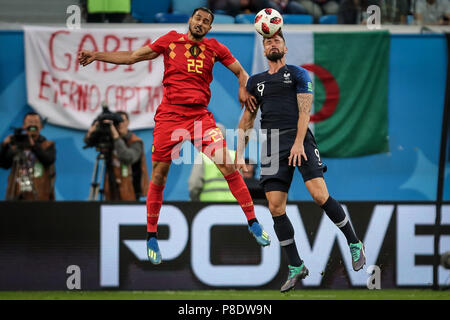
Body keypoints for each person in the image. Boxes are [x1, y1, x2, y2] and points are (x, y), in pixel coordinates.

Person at [78, 7, 271, 265]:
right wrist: (96, 55)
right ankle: (151, 236)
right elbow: (132, 57)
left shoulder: (215, 48)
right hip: (169, 116)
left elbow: (241, 72)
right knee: (159, 174)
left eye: (206, 21)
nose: (201, 23)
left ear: (210, 28)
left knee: (226, 161)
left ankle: (253, 222)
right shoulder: (170, 41)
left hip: (200, 117)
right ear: (190, 20)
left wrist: (243, 88)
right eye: (198, 18)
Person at [236, 32, 366, 293]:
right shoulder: (256, 83)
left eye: (277, 41)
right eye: (268, 41)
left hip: (300, 141)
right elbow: (247, 121)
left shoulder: (297, 74)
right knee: (275, 207)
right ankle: (296, 266)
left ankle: (354, 242)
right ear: (264, 50)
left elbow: (305, 112)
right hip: (272, 144)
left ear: (285, 47)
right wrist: (239, 152)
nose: (272, 44)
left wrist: (298, 142)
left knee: (319, 196)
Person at [84, 111, 149, 201]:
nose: (120, 124)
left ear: (128, 122)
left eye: (122, 121)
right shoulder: (109, 138)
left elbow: (127, 157)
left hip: (131, 190)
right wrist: (91, 132)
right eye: (117, 122)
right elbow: (89, 143)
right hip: (111, 189)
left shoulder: (135, 141)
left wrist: (116, 137)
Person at [0, 112, 56, 200]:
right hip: (18, 193)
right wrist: (4, 146)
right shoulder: (17, 145)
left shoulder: (48, 145)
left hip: (40, 193)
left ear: (41, 126)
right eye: (30, 122)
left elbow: (48, 160)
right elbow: (4, 164)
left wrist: (33, 145)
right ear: (24, 126)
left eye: (36, 122)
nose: (33, 124)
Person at [188, 123, 238, 202]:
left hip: (208, 206)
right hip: (232, 205)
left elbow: (194, 184)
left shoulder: (202, 157)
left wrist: (195, 201)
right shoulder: (235, 156)